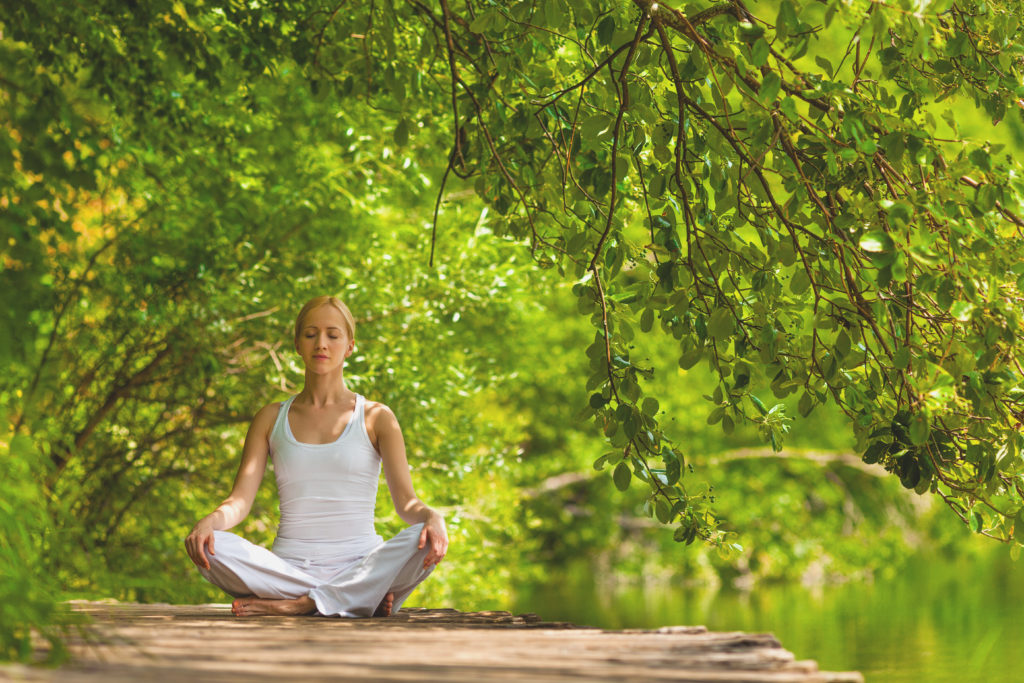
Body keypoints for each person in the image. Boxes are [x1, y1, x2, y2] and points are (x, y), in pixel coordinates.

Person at [184, 295, 448, 617]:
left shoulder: (377, 417)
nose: (321, 343)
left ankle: (305, 604)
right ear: (297, 343)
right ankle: (351, 599)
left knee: (420, 541)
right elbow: (239, 501)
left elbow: (407, 504)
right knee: (213, 546)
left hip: (362, 564)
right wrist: (209, 522)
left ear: (349, 345)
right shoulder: (270, 418)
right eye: (310, 334)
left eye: (332, 335)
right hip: (287, 570)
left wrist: (433, 517)